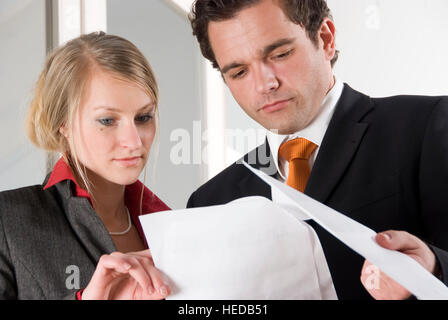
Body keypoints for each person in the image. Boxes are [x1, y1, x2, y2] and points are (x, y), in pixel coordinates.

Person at [187, 0, 448, 299]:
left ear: (325, 39)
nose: (264, 84)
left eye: (280, 54)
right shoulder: (209, 203)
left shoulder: (428, 126)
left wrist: (434, 270)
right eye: (238, 72)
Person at [0, 32, 172, 300]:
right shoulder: (9, 221)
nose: (134, 141)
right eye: (107, 120)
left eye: (143, 117)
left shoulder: (173, 226)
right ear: (63, 124)